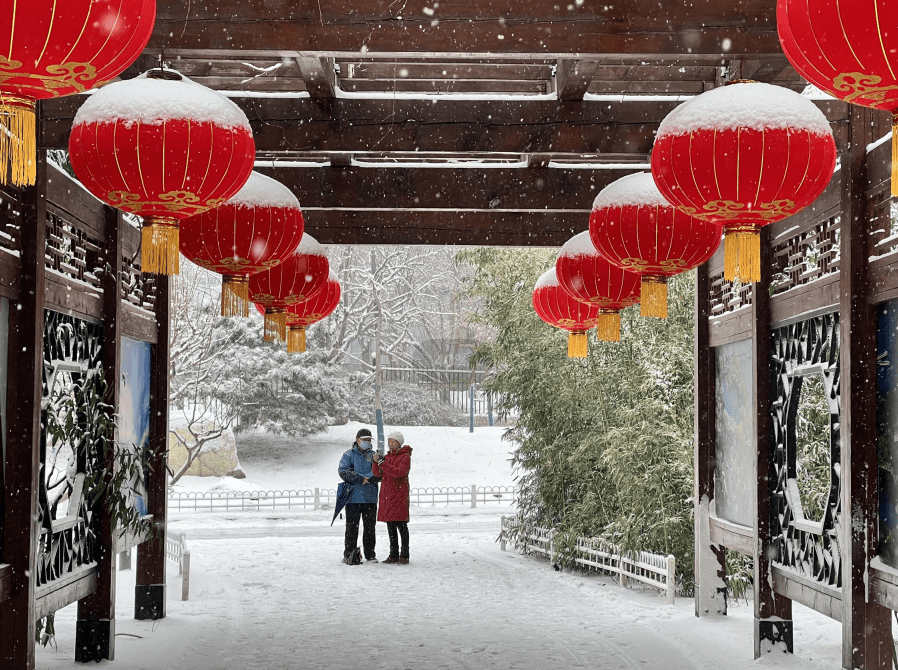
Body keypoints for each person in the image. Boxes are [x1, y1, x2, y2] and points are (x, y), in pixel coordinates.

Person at [338, 428, 380, 564]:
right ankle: (349, 554)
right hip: (352, 499)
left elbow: (380, 473)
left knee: (369, 528)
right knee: (351, 528)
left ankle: (370, 555)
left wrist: (369, 477)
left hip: (370, 498)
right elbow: (343, 471)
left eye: (369, 440)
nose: (367, 442)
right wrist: (359, 478)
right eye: (364, 440)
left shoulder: (374, 456)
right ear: (357, 440)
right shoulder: (348, 455)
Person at [372, 431, 413, 564]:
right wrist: (375, 462)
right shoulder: (387, 457)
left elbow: (399, 473)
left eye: (393, 442)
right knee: (390, 525)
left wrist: (383, 464)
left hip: (399, 495)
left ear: (399, 443)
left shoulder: (405, 457)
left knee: (401, 525)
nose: (390, 444)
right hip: (388, 495)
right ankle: (393, 554)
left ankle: (404, 554)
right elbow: (378, 473)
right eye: (389, 442)